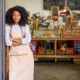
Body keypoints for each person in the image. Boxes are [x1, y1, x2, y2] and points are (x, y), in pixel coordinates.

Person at [5, 6, 34, 80]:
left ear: (22, 16)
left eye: (18, 15)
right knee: (14, 76)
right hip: (14, 56)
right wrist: (22, 40)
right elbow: (8, 42)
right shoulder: (7, 26)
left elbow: (28, 40)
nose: (16, 17)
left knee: (26, 77)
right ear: (11, 15)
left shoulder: (25, 26)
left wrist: (13, 39)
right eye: (14, 15)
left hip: (26, 56)